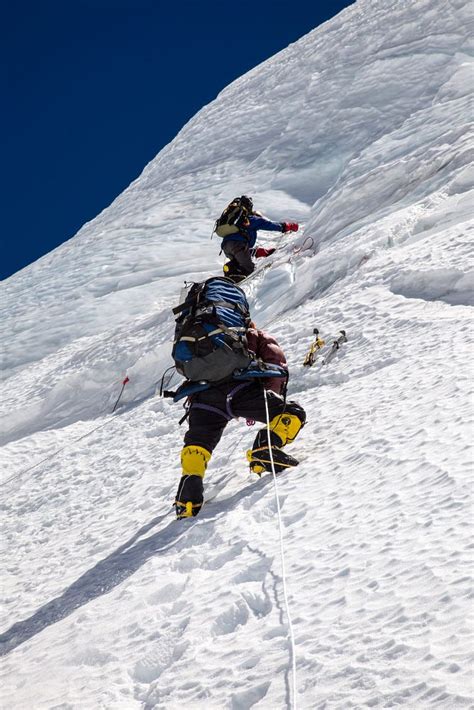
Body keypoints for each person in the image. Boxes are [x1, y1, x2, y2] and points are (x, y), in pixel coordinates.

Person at [174, 323, 306, 519]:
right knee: (293, 413)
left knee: (198, 443)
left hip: (202, 398)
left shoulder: (195, 337)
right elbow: (275, 359)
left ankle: (188, 494)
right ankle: (266, 445)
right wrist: (271, 393)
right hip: (241, 390)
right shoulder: (251, 333)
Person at [220, 195, 299, 282]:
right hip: (237, 246)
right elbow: (268, 224)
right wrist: (286, 227)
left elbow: (243, 249)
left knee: (238, 264)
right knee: (250, 270)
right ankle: (235, 280)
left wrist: (259, 252)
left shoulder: (235, 221)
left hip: (226, 247)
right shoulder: (249, 219)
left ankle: (230, 273)